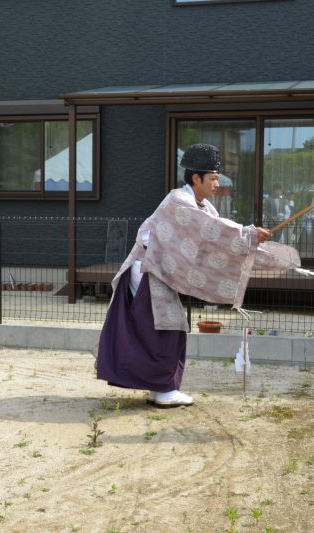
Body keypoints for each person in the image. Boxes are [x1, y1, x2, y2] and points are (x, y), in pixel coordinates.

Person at [95, 144, 272, 408]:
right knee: (166, 328)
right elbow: (212, 229)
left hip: (160, 271)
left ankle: (160, 388)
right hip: (148, 269)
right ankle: (164, 389)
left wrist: (251, 242)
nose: (217, 183)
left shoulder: (205, 207)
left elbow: (215, 237)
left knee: (165, 329)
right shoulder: (178, 200)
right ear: (195, 178)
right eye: (212, 178)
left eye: (217, 178)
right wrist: (247, 234)